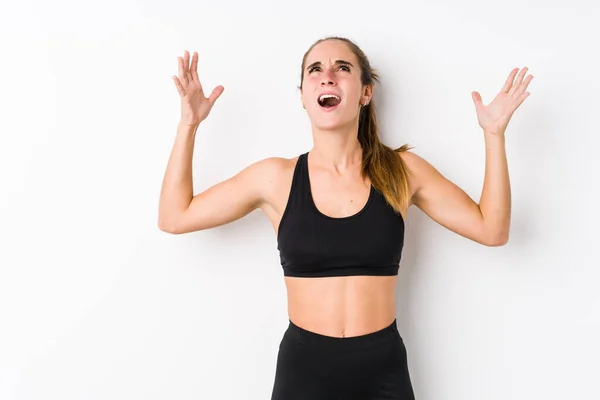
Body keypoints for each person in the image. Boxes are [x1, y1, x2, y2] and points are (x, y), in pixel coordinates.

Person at [158, 36, 533, 399]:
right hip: (303, 371)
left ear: (365, 93)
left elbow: (491, 229)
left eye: (343, 68)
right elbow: (175, 216)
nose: (328, 76)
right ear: (304, 96)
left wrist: (494, 135)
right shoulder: (276, 178)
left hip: (382, 369)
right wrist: (188, 125)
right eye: (315, 70)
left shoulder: (402, 171)